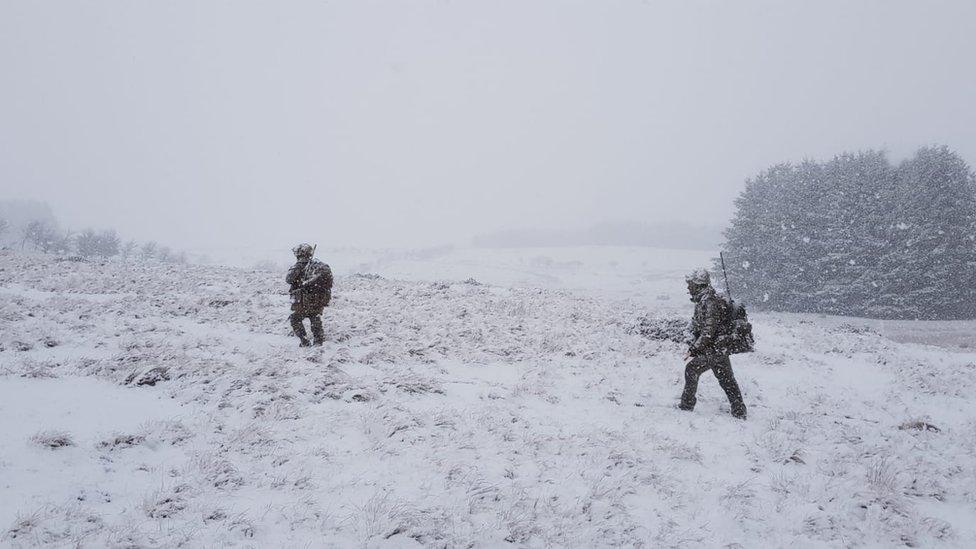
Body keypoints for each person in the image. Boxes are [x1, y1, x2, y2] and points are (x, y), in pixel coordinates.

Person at [679, 268, 747, 419]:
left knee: (692, 369)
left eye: (690, 284)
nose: (688, 287)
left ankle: (686, 406)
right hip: (719, 347)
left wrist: (693, 349)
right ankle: (739, 410)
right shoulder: (705, 299)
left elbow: (708, 331)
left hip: (715, 348)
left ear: (698, 284)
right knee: (726, 379)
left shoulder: (709, 301)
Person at [286, 243, 333, 347]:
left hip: (302, 299)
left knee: (295, 319)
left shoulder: (299, 265)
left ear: (300, 253)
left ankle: (305, 341)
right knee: (314, 317)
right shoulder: (316, 265)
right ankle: (318, 342)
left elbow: (288, 279)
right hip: (318, 298)